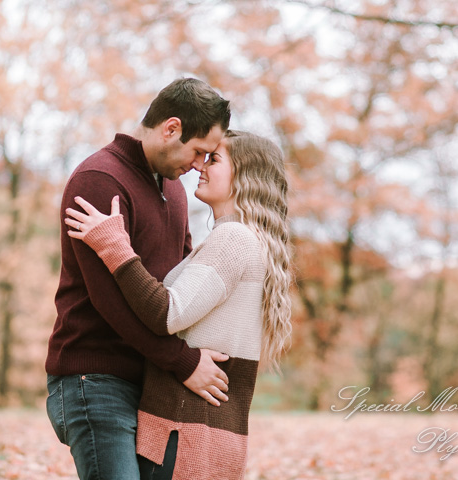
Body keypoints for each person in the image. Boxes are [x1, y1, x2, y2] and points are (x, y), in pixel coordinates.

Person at [65, 130, 293, 480]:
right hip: (208, 434)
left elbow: (166, 313)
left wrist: (116, 247)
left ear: (245, 176)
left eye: (214, 159)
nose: (201, 165)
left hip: (183, 432)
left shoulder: (232, 240)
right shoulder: (246, 241)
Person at [46, 78, 233, 480]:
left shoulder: (175, 190)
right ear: (171, 128)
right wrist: (183, 362)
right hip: (94, 378)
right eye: (199, 151)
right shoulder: (99, 180)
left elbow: (181, 287)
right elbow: (108, 301)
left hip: (152, 382)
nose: (199, 165)